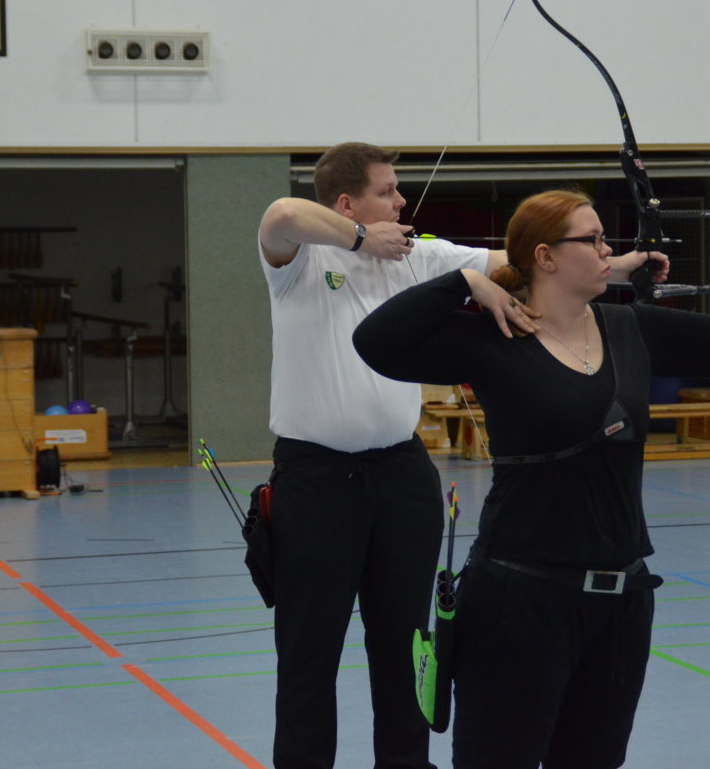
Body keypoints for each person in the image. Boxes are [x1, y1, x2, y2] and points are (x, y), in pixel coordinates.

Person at [352, 189, 710, 769]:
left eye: (605, 239)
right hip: (518, 601)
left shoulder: (629, 327)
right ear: (546, 257)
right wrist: (462, 283)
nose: (609, 250)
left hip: (621, 604)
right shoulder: (493, 335)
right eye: (593, 240)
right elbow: (375, 342)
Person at [257, 145, 665, 769]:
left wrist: (621, 265)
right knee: (308, 653)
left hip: (401, 475)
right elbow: (283, 214)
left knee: (406, 648)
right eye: (387, 191)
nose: (401, 201)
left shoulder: (417, 255)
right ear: (346, 203)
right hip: (316, 480)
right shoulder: (300, 259)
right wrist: (362, 240)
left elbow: (528, 263)